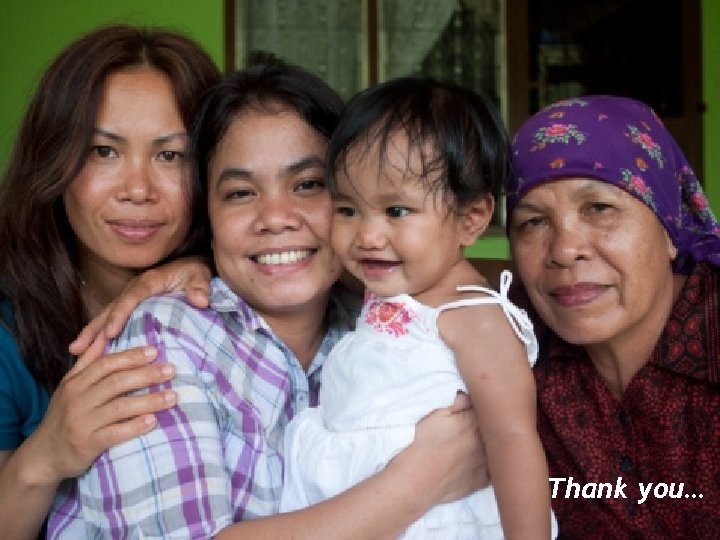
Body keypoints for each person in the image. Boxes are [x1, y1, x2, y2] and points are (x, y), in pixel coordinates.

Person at [48, 56, 486, 539]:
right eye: (240, 193)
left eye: (309, 185)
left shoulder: (376, 331)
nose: (275, 218)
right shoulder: (165, 337)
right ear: (208, 217)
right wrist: (417, 482)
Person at [278, 76, 556, 539]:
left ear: (471, 218)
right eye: (347, 210)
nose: (367, 236)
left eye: (397, 211)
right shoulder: (390, 283)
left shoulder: (472, 317)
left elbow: (512, 440)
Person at [0, 25, 219, 539]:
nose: (137, 189)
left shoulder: (243, 298)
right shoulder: (8, 334)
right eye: (103, 151)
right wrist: (45, 456)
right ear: (52, 160)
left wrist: (215, 272)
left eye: (171, 155)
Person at [506, 95, 720, 538]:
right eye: (534, 222)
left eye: (599, 209)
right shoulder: (510, 355)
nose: (565, 250)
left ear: (670, 228)